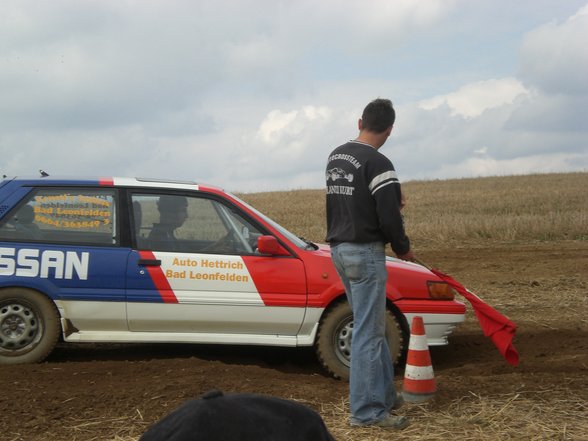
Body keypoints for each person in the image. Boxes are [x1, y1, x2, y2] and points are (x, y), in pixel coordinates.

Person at [325, 98, 414, 430]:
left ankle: (386, 397)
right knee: (368, 331)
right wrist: (403, 247)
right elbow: (388, 215)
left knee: (370, 327)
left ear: (359, 121)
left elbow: (354, 201)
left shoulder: (337, 155)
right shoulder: (379, 163)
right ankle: (366, 412)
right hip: (365, 252)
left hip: (339, 251)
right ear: (390, 130)